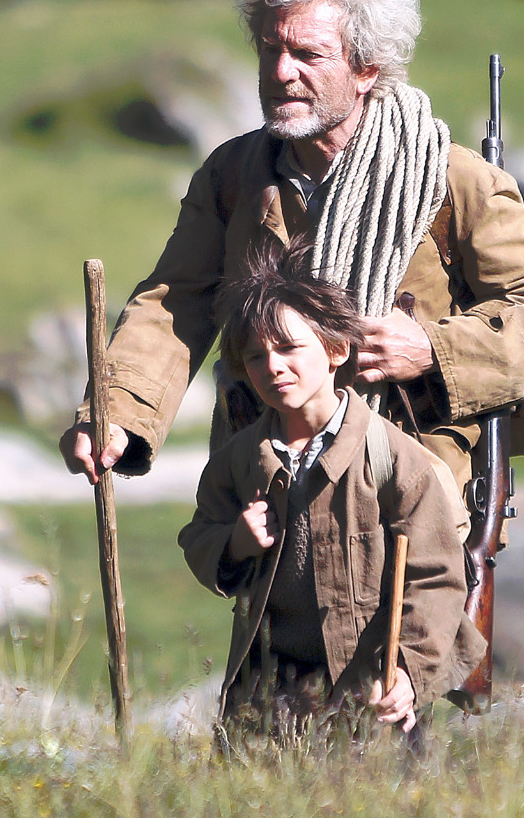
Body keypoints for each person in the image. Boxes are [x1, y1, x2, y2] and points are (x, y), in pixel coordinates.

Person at [60, 0, 524, 509]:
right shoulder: (233, 175)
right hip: (272, 490)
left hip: (413, 500)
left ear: (366, 69)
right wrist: (117, 414)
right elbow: (175, 303)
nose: (281, 72)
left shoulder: (451, 178)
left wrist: (432, 351)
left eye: (308, 55)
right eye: (269, 50)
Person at [178, 239, 485, 733]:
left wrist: (407, 673)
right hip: (268, 696)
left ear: (336, 349)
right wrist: (234, 542)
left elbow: (435, 578)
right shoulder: (239, 460)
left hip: (368, 689)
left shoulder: (393, 459)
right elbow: (198, 536)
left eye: (289, 348)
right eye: (255, 357)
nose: (272, 366)